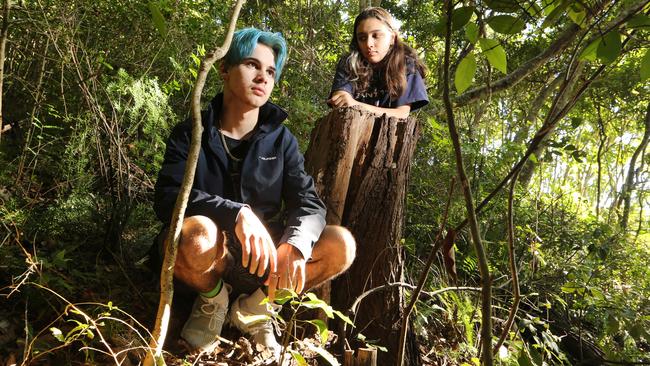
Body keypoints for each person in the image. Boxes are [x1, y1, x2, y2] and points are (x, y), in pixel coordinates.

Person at [152, 28, 356, 357]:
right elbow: (168, 198)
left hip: (263, 264)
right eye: (252, 65)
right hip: (208, 257)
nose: (263, 77)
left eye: (271, 71)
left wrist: (297, 243)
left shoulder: (281, 140)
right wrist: (236, 213)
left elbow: (308, 202)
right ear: (224, 69)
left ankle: (254, 309)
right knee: (195, 232)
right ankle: (212, 302)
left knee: (340, 244)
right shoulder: (192, 130)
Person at [328, 7, 429, 119]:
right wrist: (347, 101)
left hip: (388, 134)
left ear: (392, 38)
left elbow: (401, 113)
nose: (368, 44)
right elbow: (340, 99)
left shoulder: (406, 64)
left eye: (376, 36)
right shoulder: (349, 62)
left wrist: (356, 105)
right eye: (362, 38)